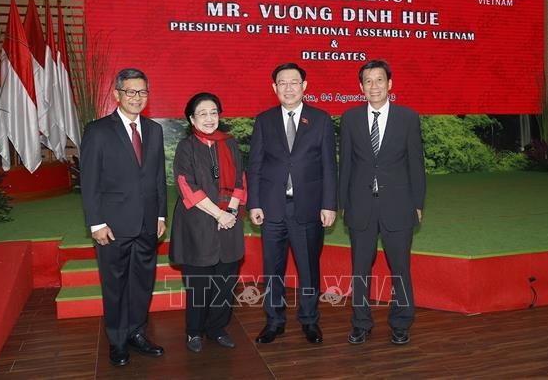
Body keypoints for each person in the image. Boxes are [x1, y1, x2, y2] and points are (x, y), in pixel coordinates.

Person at [80, 68, 167, 366]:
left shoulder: (154, 130)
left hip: (147, 223)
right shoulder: (98, 130)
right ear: (117, 94)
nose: (137, 97)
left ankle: (137, 334)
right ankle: (117, 341)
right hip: (112, 226)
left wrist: (160, 216)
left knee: (143, 283)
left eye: (142, 92)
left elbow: (157, 178)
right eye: (130, 91)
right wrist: (96, 223)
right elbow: (89, 182)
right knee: (114, 285)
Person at [247, 62, 337, 345]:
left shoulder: (321, 119)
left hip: (308, 207)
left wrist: (329, 204)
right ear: (274, 88)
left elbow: (328, 167)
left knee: (309, 267)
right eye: (282, 83)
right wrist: (254, 203)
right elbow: (256, 165)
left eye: (294, 82)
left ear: (304, 86)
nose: (288, 88)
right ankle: (274, 321)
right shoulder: (264, 120)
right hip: (272, 207)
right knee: (272, 268)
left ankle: (310, 321)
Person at [339, 59, 426, 346]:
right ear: (360, 87)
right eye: (368, 81)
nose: (373, 86)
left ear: (390, 84)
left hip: (398, 205)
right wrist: (343, 204)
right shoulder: (350, 118)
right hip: (361, 206)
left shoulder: (408, 118)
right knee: (360, 269)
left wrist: (418, 203)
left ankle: (401, 322)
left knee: (400, 267)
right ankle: (361, 323)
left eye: (379, 80)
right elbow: (346, 166)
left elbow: (416, 165)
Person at [170, 92, 246, 353]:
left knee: (225, 283)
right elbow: (186, 186)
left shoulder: (230, 144)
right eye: (202, 113)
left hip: (229, 224)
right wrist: (219, 214)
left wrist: (232, 212)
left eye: (213, 112)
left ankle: (216, 328)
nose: (209, 118)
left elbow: (240, 182)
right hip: (197, 226)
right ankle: (194, 331)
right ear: (192, 118)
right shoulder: (186, 147)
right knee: (199, 285)